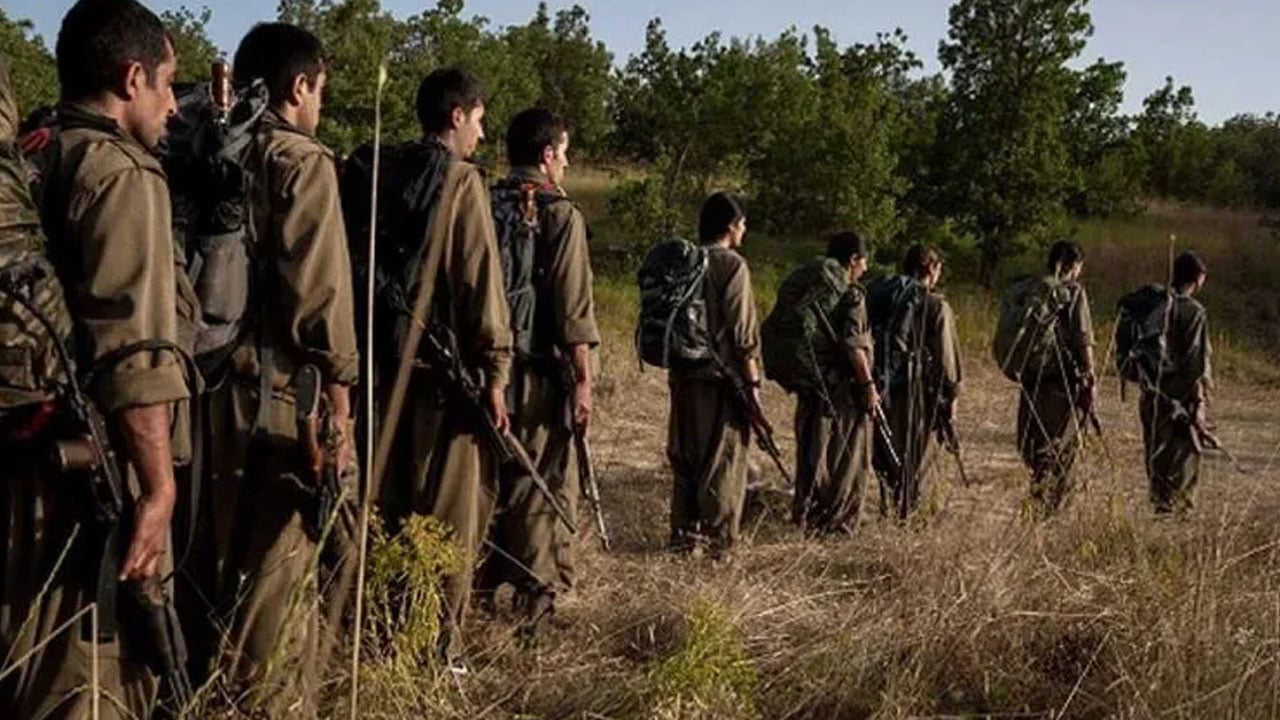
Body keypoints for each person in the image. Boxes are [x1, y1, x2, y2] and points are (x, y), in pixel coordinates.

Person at [1, 2, 189, 717]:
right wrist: (158, 488)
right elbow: (132, 354)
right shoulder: (121, 174)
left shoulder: (29, 151)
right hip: (90, 479)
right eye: (168, 84)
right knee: (90, 679)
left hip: (23, 446)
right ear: (130, 77)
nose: (174, 104)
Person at [187, 22, 358, 712]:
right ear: (299, 86)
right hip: (281, 392)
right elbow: (320, 294)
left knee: (211, 551)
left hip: (204, 379)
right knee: (277, 564)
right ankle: (269, 701)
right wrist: (340, 397)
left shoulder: (209, 145)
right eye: (319, 89)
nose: (319, 103)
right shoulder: (303, 160)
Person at [376, 68, 511, 670]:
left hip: (382, 372)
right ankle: (438, 653)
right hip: (443, 380)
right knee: (452, 521)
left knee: (393, 511)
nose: (481, 136)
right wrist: (497, 372)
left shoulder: (378, 169)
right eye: (479, 121)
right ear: (456, 116)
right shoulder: (462, 182)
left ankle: (386, 639)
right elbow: (481, 284)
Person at [477, 108, 599, 636]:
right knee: (539, 482)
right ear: (547, 154)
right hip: (538, 375)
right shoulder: (558, 213)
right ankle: (535, 601)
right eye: (565, 152)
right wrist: (585, 380)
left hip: (484, 369)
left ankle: (483, 586)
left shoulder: (482, 199)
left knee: (491, 479)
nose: (567, 163)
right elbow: (574, 313)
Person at [667, 192, 760, 558]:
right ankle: (721, 547)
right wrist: (752, 386)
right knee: (722, 462)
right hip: (720, 382)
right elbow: (743, 336)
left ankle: (683, 541)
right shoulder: (732, 266)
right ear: (731, 226)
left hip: (683, 375)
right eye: (742, 224)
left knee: (686, 459)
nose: (745, 230)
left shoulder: (686, 261)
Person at [789, 232, 879, 535]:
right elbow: (855, 344)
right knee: (846, 458)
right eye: (864, 261)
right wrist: (868, 385)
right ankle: (836, 524)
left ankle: (808, 516)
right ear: (853, 259)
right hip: (841, 390)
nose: (865, 268)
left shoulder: (813, 288)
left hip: (811, 382)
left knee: (812, 453)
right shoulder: (851, 294)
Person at [874, 243, 962, 519]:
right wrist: (951, 396)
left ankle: (889, 507)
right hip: (914, 391)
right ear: (932, 268)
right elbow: (947, 361)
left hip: (880, 385)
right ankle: (905, 514)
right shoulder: (934, 303)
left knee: (886, 454)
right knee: (909, 457)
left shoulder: (883, 295)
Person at [1015, 241, 1096, 515]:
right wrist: (1090, 378)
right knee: (1059, 449)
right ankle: (1049, 510)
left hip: (1030, 380)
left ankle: (1037, 497)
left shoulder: (1030, 289)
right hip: (1061, 384)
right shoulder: (1072, 293)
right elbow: (1083, 339)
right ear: (1073, 266)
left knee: (1035, 446)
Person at [1141, 251, 1213, 513]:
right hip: (1180, 403)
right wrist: (1199, 408)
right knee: (1182, 470)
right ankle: (1175, 530)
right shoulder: (1193, 311)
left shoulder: (1153, 305)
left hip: (1151, 398)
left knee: (1157, 465)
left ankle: (1160, 518)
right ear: (1198, 278)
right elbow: (1195, 365)